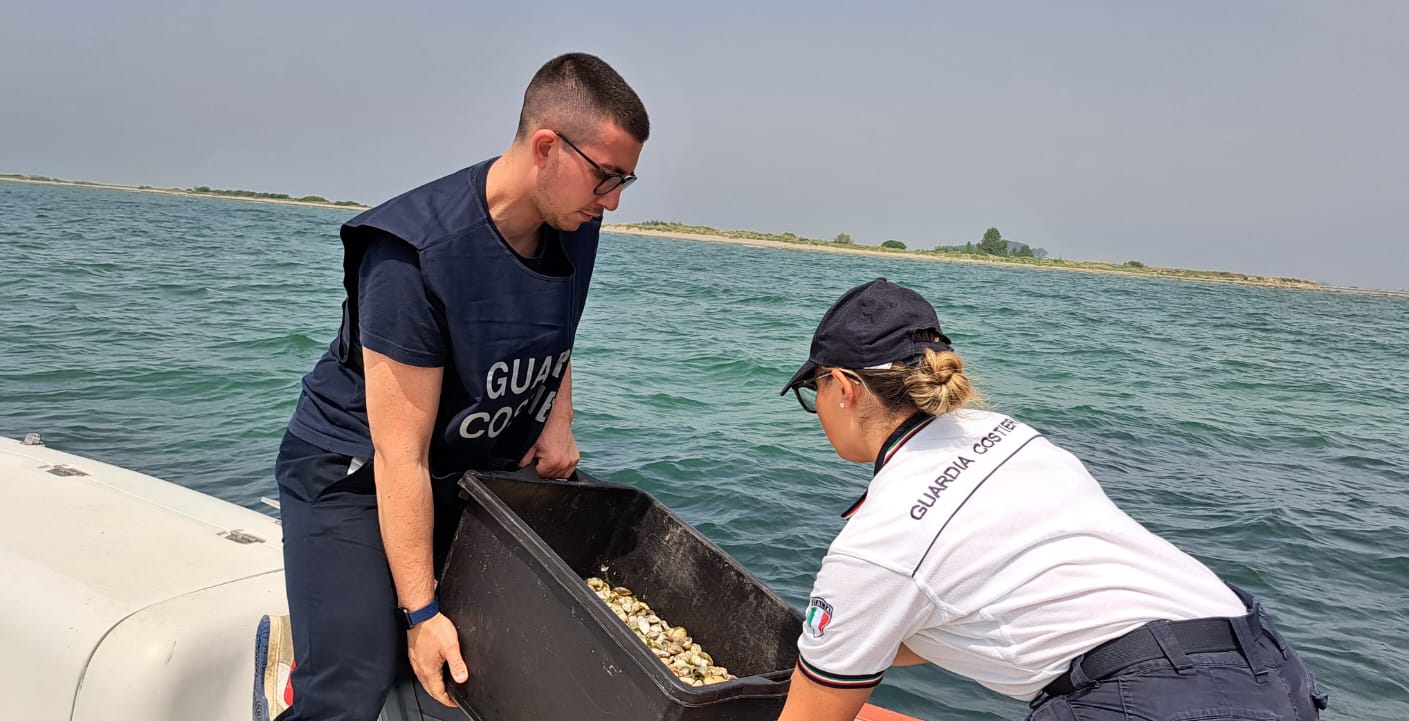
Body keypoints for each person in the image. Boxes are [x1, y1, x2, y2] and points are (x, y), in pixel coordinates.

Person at [252, 53, 649, 721]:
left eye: (625, 181)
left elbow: (557, 321)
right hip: (353, 469)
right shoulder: (413, 256)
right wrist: (423, 611)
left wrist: (558, 416)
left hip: (466, 463)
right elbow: (398, 458)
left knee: (536, 646)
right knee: (351, 689)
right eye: (605, 177)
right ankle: (309, 672)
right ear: (547, 147)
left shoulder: (573, 220)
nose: (611, 200)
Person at [772, 278, 1329, 721]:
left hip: (1152, 700)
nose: (816, 407)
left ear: (844, 388)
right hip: (1266, 666)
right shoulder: (1007, 435)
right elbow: (980, 607)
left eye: (812, 390)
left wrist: (828, 653)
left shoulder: (878, 541)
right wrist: (848, 641)